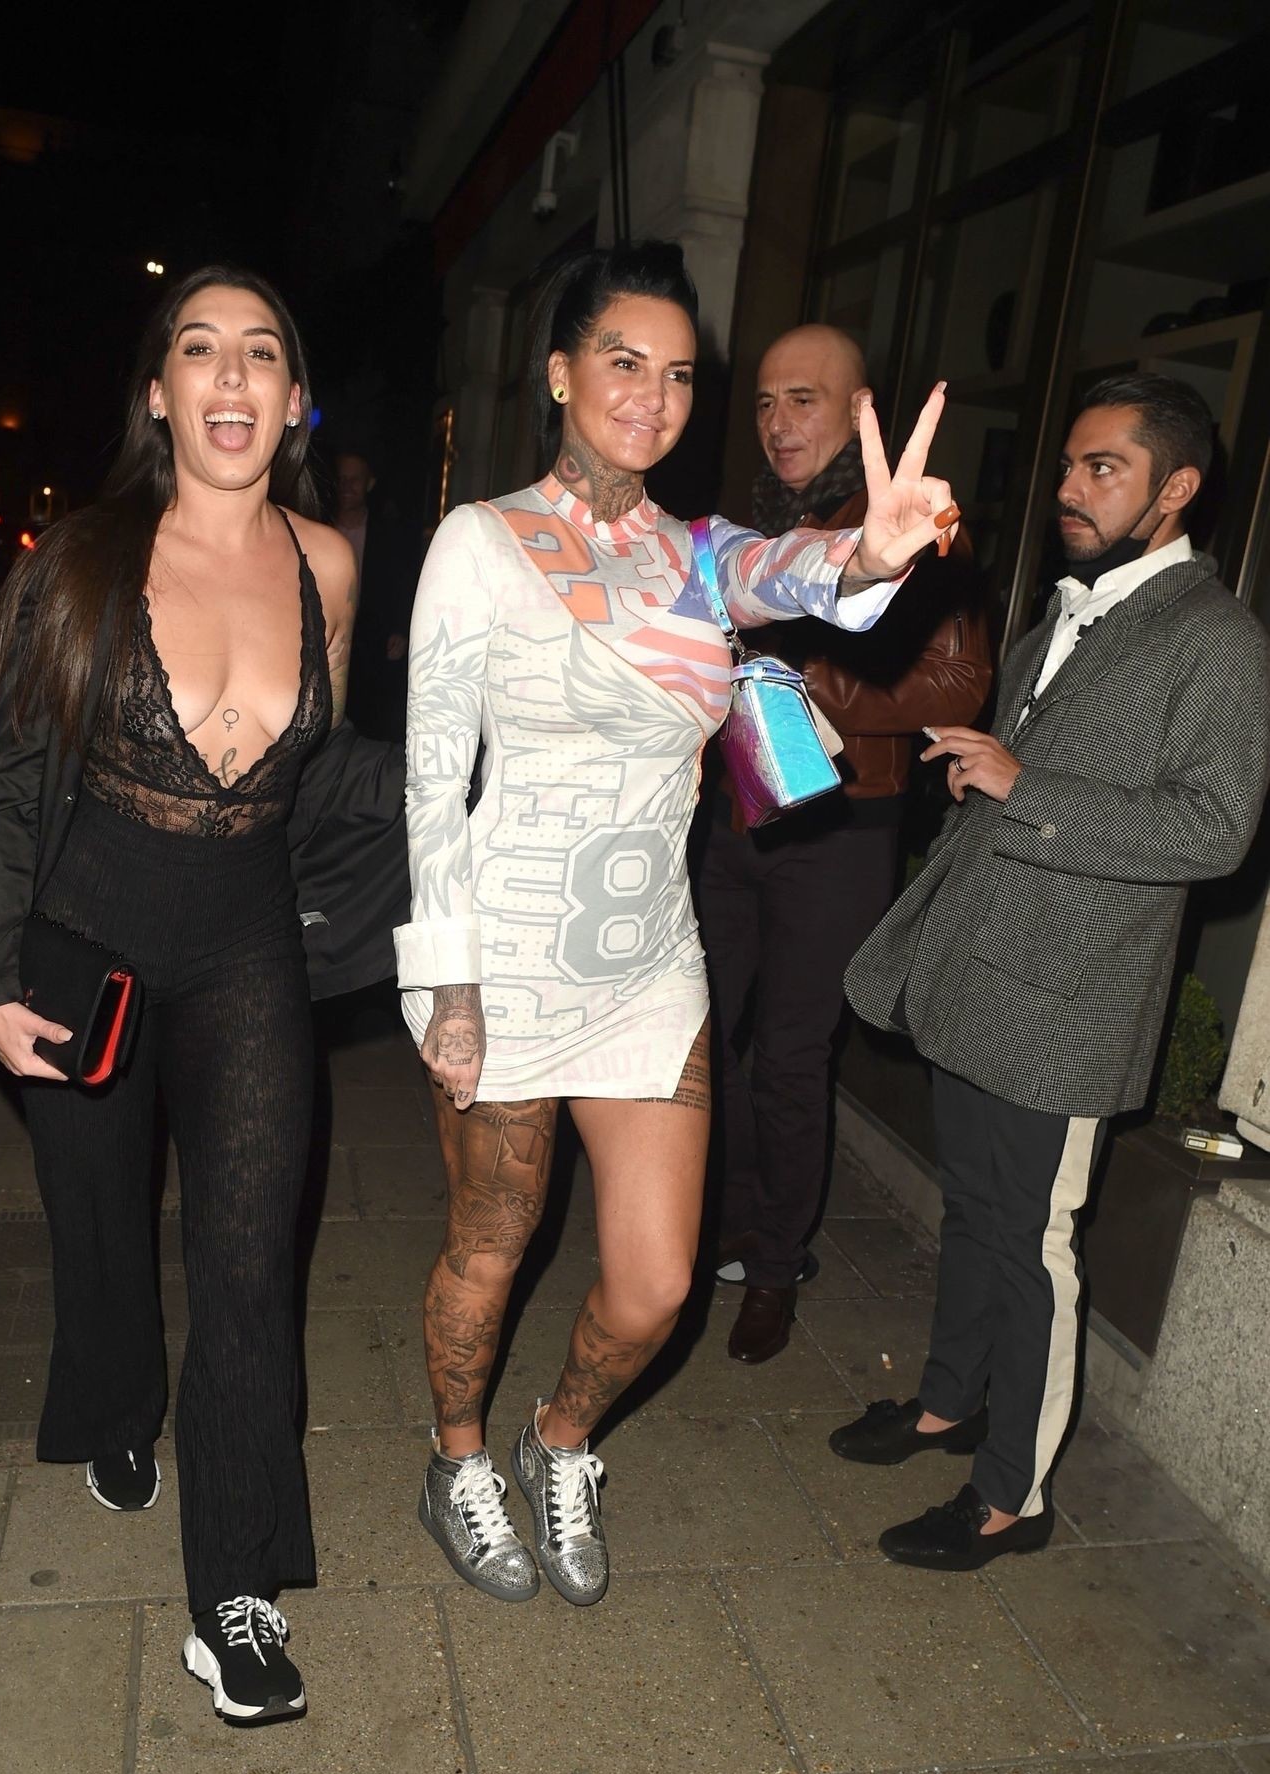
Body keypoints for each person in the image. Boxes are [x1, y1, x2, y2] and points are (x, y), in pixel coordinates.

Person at [396, 242, 959, 1606]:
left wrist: (872, 552)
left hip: (649, 965)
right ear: (559, 374)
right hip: (504, 956)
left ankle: (557, 1442)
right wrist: (447, 981)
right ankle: (456, 1461)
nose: (650, 395)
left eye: (678, 375)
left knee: (654, 1287)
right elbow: (429, 779)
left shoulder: (697, 556)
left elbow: (803, 574)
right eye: (621, 361)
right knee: (492, 1244)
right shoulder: (480, 541)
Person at [0, 266, 355, 1720]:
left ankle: (233, 1592)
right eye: (201, 350)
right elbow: (14, 780)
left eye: (261, 353)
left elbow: (322, 776)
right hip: (88, 936)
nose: (232, 376)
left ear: (293, 401)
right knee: (103, 1225)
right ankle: (120, 1403)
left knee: (249, 1268)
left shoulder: (329, 564)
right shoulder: (83, 560)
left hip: (245, 947)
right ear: (159, 394)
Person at [836, 372, 1269, 1572]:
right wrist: (985, 771)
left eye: (1103, 469)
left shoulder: (1218, 641)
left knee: (1032, 1245)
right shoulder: (1065, 613)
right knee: (975, 1214)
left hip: (1068, 1003)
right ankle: (948, 1402)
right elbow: (1041, 786)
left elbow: (1214, 829)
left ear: (1175, 490)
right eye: (1070, 465)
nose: (1069, 490)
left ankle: (1008, 1500)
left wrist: (1028, 785)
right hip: (982, 976)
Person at [695, 324, 991, 1366]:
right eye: (766, 401)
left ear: (859, 406)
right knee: (701, 1032)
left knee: (788, 1052)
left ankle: (775, 1265)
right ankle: (732, 1222)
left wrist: (802, 677)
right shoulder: (751, 528)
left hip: (840, 820)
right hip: (736, 809)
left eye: (804, 400)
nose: (779, 422)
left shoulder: (903, 521)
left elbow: (959, 682)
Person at [334, 449, 416, 742]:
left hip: (373, 648)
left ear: (369, 483)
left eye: (354, 480)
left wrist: (401, 630)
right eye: (341, 479)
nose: (347, 487)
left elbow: (403, 584)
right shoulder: (318, 527)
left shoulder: (388, 534)